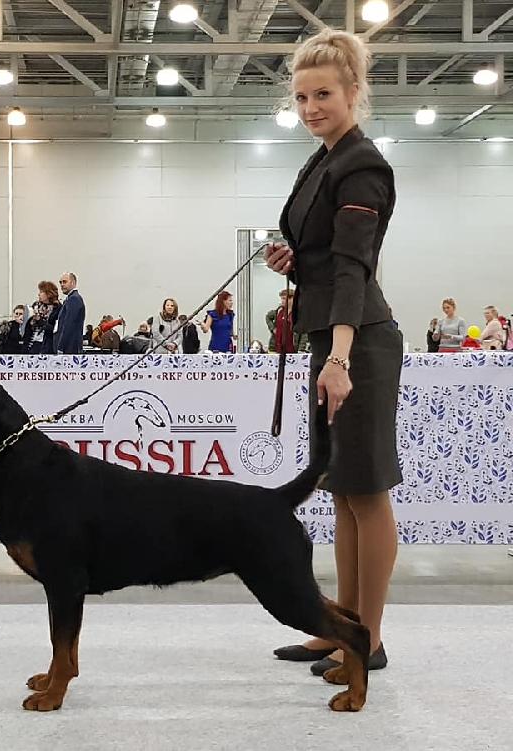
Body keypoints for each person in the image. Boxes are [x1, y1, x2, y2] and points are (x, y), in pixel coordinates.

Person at [266, 28, 402, 676]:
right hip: (331, 337)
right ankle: (341, 627)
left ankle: (366, 640)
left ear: (353, 92)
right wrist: (293, 260)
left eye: (322, 94)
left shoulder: (362, 165)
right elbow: (324, 255)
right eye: (301, 97)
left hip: (359, 341)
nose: (310, 107)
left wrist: (340, 358)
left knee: (366, 491)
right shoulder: (323, 160)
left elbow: (353, 268)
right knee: (342, 489)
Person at [24, 282, 62, 355]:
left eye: (41, 292)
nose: (39, 294)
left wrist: (40, 321)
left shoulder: (58, 309)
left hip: (48, 347)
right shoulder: (37, 307)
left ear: (49, 294)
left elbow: (56, 330)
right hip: (33, 344)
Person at [54, 272, 85, 355]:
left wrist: (61, 346)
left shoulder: (74, 299)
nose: (62, 285)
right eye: (60, 282)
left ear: (73, 283)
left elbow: (68, 324)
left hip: (69, 347)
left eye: (64, 282)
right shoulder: (69, 299)